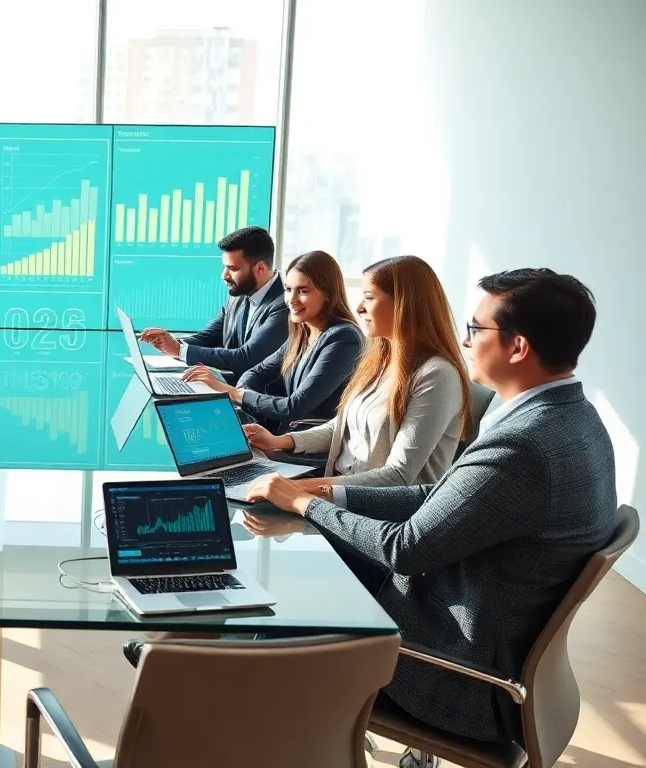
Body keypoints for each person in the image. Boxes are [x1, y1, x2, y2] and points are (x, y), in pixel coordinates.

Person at [245, 269, 614, 763]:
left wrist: (305, 503)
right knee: (302, 559)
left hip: (452, 672)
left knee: (279, 607)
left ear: (518, 347)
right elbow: (441, 493)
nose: (465, 340)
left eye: (476, 329)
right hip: (484, 630)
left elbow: (405, 549)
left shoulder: (522, 446)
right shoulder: (575, 418)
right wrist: (329, 494)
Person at [242, 255, 471, 492]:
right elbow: (341, 427)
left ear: (406, 304)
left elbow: (397, 476)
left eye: (369, 298)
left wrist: (296, 488)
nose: (359, 307)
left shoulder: (437, 376)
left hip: (385, 511)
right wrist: (278, 441)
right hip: (341, 492)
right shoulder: (380, 361)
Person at [183, 250, 363, 433]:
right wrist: (244, 393)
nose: (291, 300)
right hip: (278, 434)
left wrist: (234, 393)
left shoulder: (343, 338)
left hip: (306, 447)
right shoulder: (303, 332)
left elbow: (294, 406)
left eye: (303, 291)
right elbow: (258, 371)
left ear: (327, 292)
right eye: (288, 289)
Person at [139, 226, 289, 380]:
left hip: (253, 397)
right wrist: (169, 343)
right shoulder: (239, 294)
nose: (224, 275)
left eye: (233, 269)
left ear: (260, 269)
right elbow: (208, 338)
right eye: (225, 267)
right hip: (226, 386)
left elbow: (246, 358)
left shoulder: (284, 306)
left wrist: (179, 350)